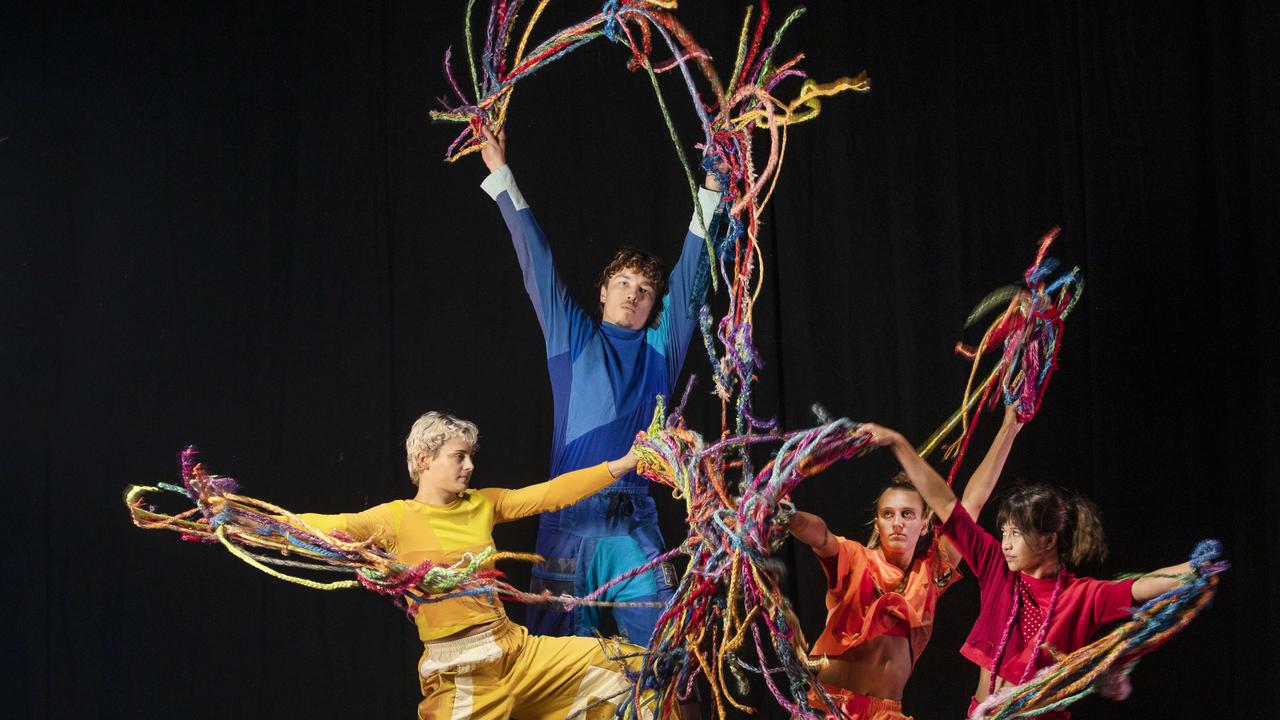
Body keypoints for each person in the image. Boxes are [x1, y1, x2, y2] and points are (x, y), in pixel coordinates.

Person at [476, 125, 724, 644]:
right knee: (558, 667)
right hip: (566, 520)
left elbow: (691, 272)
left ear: (655, 307)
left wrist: (714, 183)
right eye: (624, 285)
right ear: (604, 291)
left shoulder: (661, 348)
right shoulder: (572, 337)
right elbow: (536, 263)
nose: (634, 296)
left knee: (661, 655)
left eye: (645, 291)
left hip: (632, 520)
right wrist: (501, 175)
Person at [292, 411, 656, 720]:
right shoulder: (395, 518)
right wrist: (246, 517)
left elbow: (550, 494)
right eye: (459, 456)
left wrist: (623, 464)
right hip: (462, 675)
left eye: (470, 456)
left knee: (632, 667)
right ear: (423, 459)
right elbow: (327, 525)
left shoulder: (482, 504)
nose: (470, 466)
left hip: (519, 655)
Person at [855, 417, 1192, 719]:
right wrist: (897, 443)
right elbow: (948, 504)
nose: (1006, 543)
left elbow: (1140, 587)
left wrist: (1196, 569)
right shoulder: (996, 569)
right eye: (1004, 533)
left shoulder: (1082, 595)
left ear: (1047, 540)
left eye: (1016, 534)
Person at [788, 405, 1024, 720]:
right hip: (829, 707)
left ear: (924, 524)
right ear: (877, 524)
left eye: (907, 514)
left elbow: (972, 503)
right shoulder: (856, 559)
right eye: (888, 514)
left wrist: (1010, 426)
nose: (897, 523)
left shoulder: (930, 572)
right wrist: (786, 516)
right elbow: (820, 535)